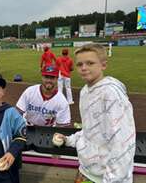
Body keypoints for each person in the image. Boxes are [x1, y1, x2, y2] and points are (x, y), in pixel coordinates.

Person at [54, 44, 136, 183]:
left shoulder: (111, 94)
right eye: (80, 64)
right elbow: (89, 130)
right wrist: (69, 140)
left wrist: (112, 180)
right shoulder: (85, 91)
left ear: (103, 65)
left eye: (90, 63)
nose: (84, 68)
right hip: (85, 171)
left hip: (106, 178)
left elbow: (122, 142)